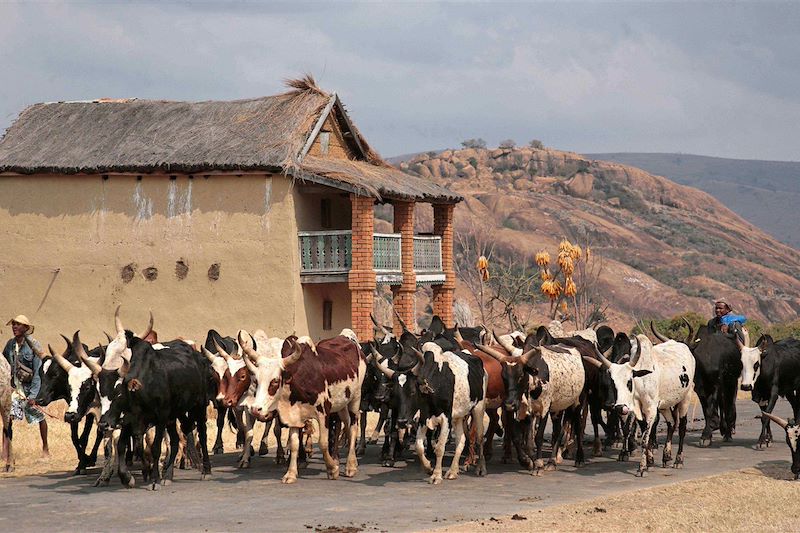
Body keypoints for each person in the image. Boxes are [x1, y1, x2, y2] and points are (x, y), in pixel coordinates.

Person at [2, 315, 49, 459]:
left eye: (18, 324)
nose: (15, 327)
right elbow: (4, 364)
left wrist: (33, 396)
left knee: (39, 417)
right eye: (14, 324)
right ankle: (5, 452)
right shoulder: (10, 345)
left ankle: (45, 448)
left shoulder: (34, 345)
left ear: (26, 328)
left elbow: (37, 373)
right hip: (15, 389)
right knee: (7, 417)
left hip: (29, 390)